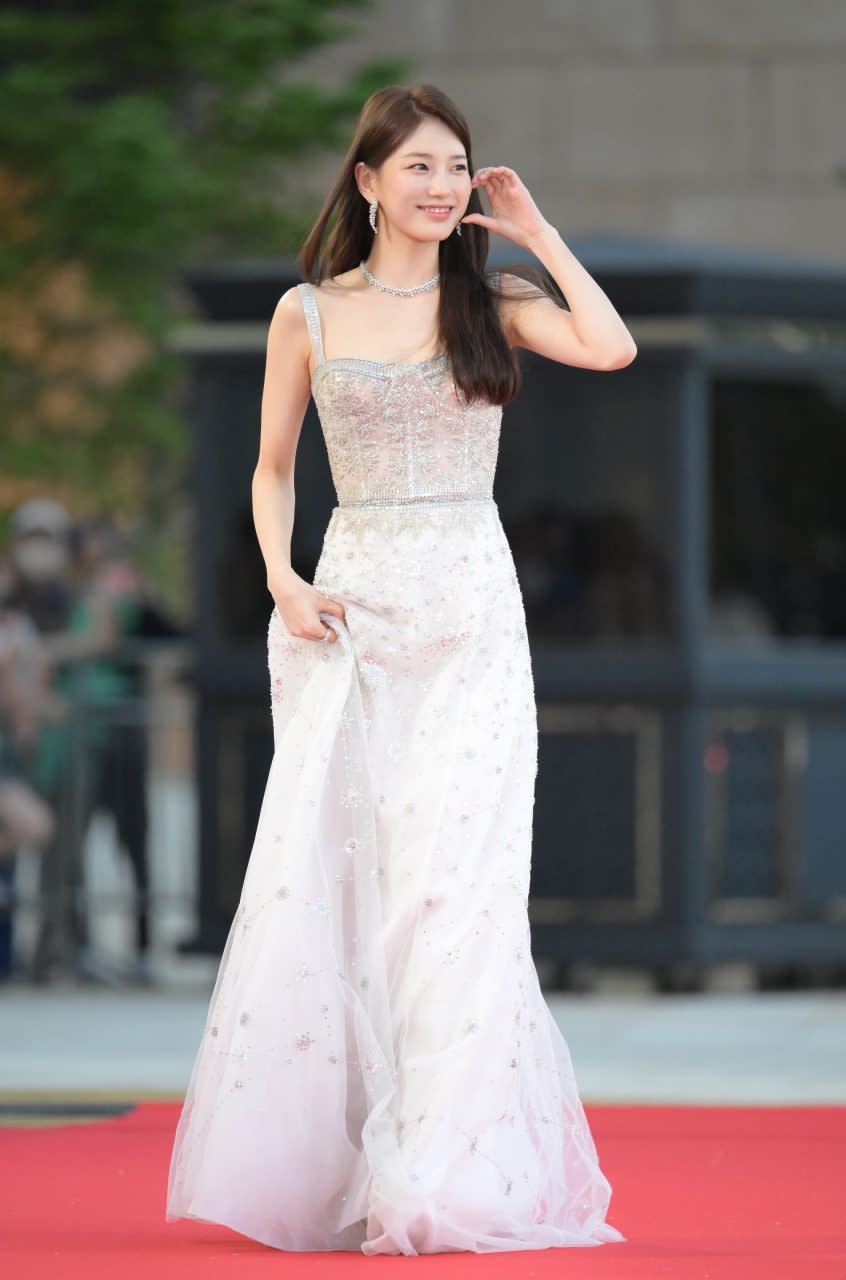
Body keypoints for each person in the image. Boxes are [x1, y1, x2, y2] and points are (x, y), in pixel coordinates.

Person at [166, 82, 636, 1255]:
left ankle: (439, 1171)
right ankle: (350, 1157)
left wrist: (535, 233)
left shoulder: (497, 299)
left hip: (472, 609)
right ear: (367, 181)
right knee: (348, 886)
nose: (439, 185)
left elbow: (614, 346)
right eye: (417, 166)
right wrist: (280, 574)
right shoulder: (307, 312)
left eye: (455, 167)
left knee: (457, 892)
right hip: (351, 610)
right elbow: (273, 469)